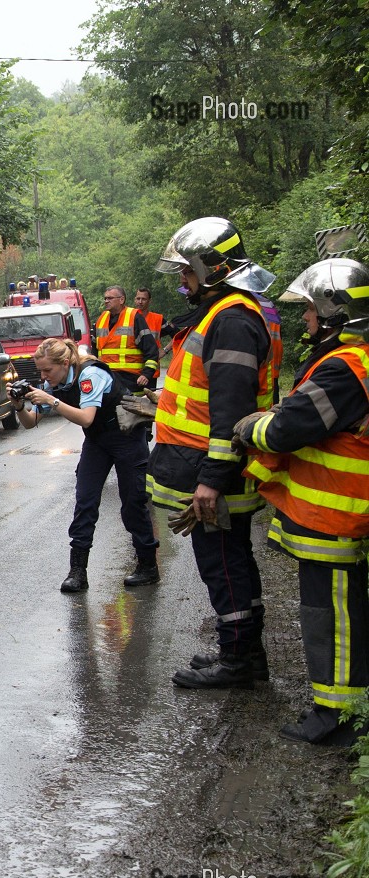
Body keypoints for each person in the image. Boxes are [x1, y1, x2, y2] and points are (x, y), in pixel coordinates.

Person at [237, 258, 369, 744]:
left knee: (330, 614)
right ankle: (345, 707)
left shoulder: (343, 369)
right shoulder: (356, 361)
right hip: (339, 511)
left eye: (312, 309)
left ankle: (338, 717)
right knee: (338, 610)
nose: (306, 319)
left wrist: (250, 425)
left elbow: (289, 427)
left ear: (336, 312)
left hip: (333, 513)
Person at [147, 216, 281, 689]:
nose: (182, 282)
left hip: (216, 471)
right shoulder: (230, 313)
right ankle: (244, 653)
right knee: (231, 560)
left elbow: (231, 410)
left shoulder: (232, 320)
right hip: (216, 465)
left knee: (223, 565)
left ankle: (239, 661)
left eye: (187, 272)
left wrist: (211, 479)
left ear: (215, 270)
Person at [14, 337, 160, 592]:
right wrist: (18, 406)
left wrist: (50, 400)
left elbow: (86, 418)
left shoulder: (90, 374)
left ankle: (148, 566)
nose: (44, 376)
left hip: (126, 437)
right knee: (85, 501)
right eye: (40, 371)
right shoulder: (56, 382)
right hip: (98, 441)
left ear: (65, 362)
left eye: (48, 370)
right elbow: (29, 423)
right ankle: (77, 572)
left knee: (133, 502)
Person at [93, 285, 160, 391]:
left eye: (110, 298)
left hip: (130, 380)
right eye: (105, 298)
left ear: (121, 299)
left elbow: (151, 350)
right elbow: (94, 351)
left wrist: (146, 374)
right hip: (106, 378)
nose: (106, 301)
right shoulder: (101, 319)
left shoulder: (135, 317)